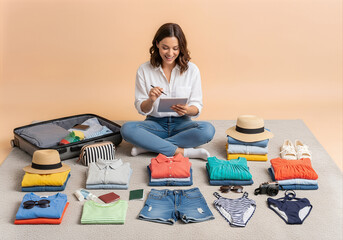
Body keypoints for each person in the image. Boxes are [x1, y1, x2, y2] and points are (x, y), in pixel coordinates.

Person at [120, 23, 215, 160]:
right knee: (127, 129)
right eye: (165, 48)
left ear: (181, 48)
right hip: (155, 124)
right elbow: (141, 108)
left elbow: (197, 106)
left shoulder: (192, 70)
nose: (170, 54)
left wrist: (187, 110)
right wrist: (150, 100)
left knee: (208, 130)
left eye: (175, 48)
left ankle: (149, 146)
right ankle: (183, 151)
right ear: (157, 44)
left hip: (182, 124)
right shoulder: (144, 70)